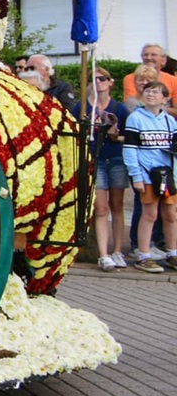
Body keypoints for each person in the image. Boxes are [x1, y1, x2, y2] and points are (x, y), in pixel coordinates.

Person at [74, 70, 131, 270]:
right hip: (94, 159)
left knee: (117, 204)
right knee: (100, 207)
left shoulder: (120, 108)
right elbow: (74, 132)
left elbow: (129, 135)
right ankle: (103, 253)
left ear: (110, 82)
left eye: (102, 79)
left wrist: (116, 134)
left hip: (115, 157)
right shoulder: (81, 107)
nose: (98, 82)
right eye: (94, 79)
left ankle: (117, 250)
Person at [125, 78, 177, 272]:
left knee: (170, 214)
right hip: (146, 174)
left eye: (155, 92)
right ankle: (143, 255)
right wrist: (136, 176)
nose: (150, 94)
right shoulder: (135, 118)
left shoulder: (169, 120)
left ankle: (172, 253)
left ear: (165, 99)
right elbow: (130, 149)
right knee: (150, 213)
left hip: (167, 174)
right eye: (147, 91)